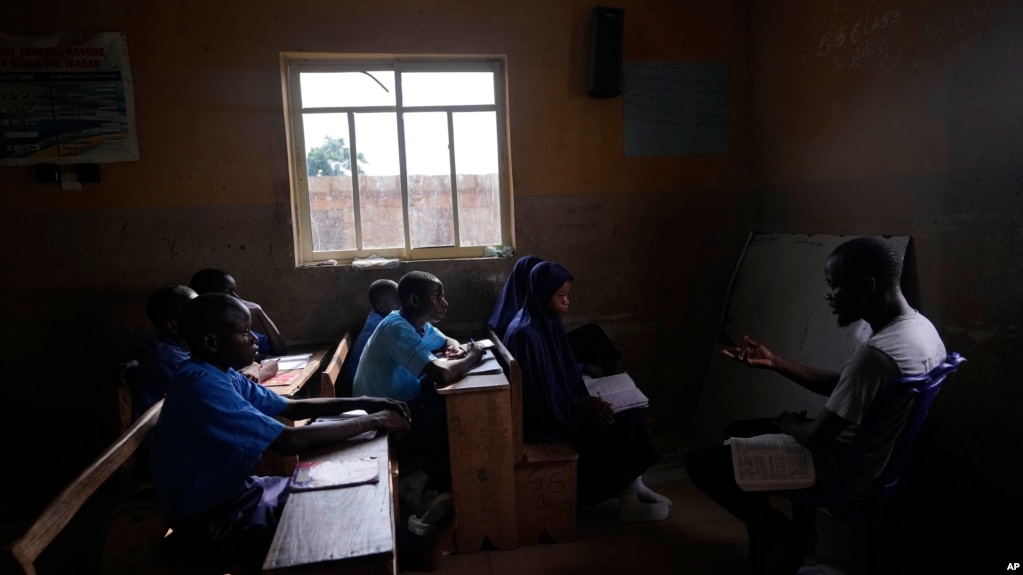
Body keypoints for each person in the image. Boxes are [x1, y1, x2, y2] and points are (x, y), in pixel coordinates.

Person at [685, 236, 946, 574]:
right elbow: (850, 386)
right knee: (739, 432)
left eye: (834, 286)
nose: (829, 297)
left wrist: (789, 425)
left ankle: (785, 537)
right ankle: (795, 536)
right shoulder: (920, 330)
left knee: (702, 464)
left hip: (842, 470)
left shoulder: (875, 354)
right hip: (876, 461)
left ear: (866, 286)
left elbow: (817, 437)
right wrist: (776, 362)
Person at [149, 292, 410, 574]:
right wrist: (373, 421)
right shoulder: (201, 384)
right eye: (245, 331)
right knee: (322, 528)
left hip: (240, 491)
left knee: (333, 496)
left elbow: (290, 406)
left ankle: (406, 545)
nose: (253, 338)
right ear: (211, 342)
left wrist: (366, 402)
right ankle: (403, 549)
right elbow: (289, 441)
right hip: (207, 514)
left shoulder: (222, 373)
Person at [503, 261, 670, 522]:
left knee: (629, 407)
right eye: (561, 296)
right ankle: (626, 497)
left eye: (568, 295)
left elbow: (560, 365)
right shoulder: (525, 334)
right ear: (541, 292)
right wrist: (581, 403)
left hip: (562, 402)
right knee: (625, 420)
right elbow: (538, 398)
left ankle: (634, 486)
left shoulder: (546, 320)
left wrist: (586, 385)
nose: (567, 302)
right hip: (546, 421)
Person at [353, 271, 483, 492]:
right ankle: (439, 486)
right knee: (456, 417)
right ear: (414, 300)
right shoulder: (397, 328)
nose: (444, 303)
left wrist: (454, 348)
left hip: (400, 401)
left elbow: (446, 341)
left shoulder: (417, 321)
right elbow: (440, 374)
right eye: (437, 297)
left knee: (451, 408)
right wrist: (472, 356)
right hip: (380, 412)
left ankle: (437, 480)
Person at [135, 285, 279, 421]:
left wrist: (253, 366)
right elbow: (224, 390)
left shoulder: (190, 349)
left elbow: (233, 375)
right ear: (173, 326)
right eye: (194, 312)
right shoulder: (166, 356)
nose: (206, 314)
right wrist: (263, 371)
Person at [489, 255, 622, 377]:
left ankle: (612, 378)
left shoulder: (538, 303)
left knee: (592, 332)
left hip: (547, 345)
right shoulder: (518, 324)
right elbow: (536, 358)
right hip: (541, 352)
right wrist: (581, 368)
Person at [189, 268, 288, 357]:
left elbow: (280, 350)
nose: (237, 297)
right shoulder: (205, 334)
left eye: (235, 291)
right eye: (228, 292)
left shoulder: (236, 324)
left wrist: (259, 312)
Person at [339, 278, 401, 396]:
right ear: (381, 307)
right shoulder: (381, 327)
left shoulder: (378, 315)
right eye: (397, 300)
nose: (402, 303)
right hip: (360, 388)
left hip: (363, 380)